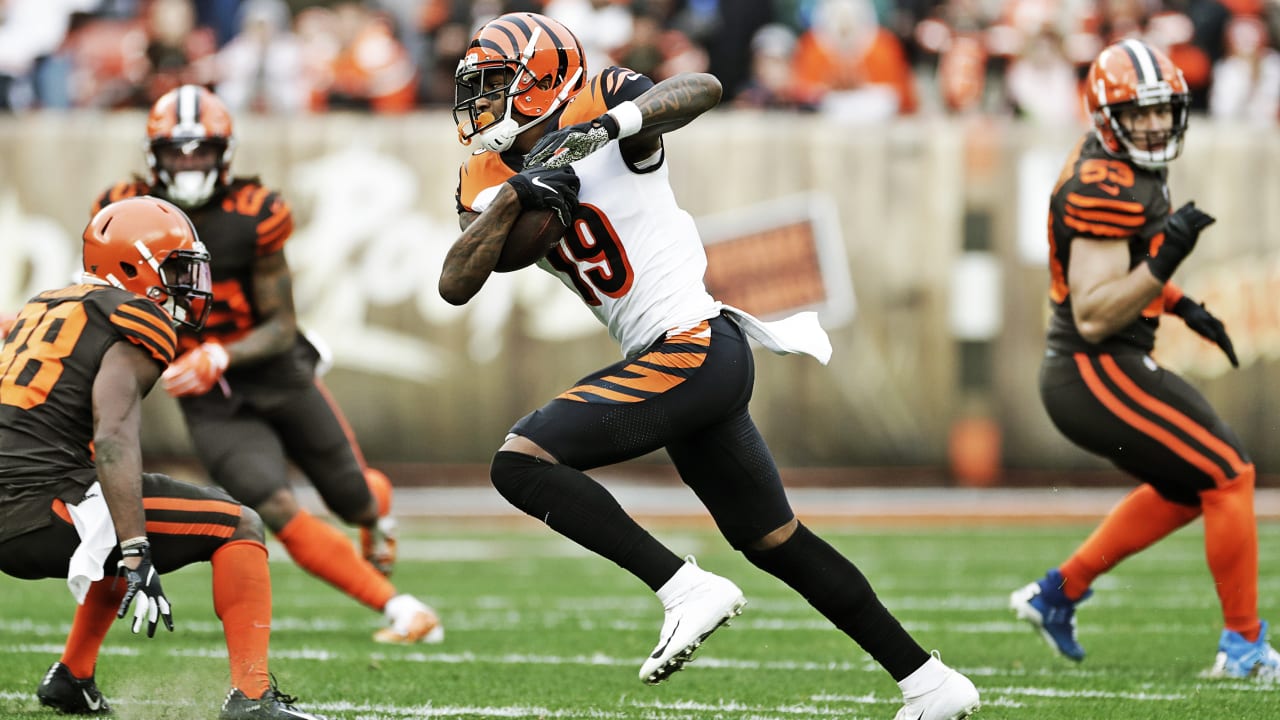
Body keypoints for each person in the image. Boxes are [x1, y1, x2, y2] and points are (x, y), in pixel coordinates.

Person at [439, 13, 980, 720]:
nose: (479, 103)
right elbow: (459, 277)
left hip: (692, 343)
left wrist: (604, 131)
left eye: (494, 85)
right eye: (475, 88)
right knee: (776, 542)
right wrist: (520, 192)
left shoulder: (595, 99)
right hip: (682, 357)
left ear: (540, 81)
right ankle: (931, 684)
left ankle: (682, 586)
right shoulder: (486, 173)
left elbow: (701, 86)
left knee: (520, 461)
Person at [90, 84, 442, 645]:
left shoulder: (256, 211)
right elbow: (107, 300)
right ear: (152, 154)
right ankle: (401, 609)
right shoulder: (125, 208)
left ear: (224, 152)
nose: (187, 163)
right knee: (272, 503)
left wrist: (219, 352)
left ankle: (375, 512)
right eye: (175, 151)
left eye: (199, 149)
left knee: (352, 497)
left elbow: (281, 325)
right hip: (208, 397)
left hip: (272, 371)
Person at [1010, 38, 1280, 680]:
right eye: (1140, 113)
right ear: (1109, 115)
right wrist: (1166, 262)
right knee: (1229, 474)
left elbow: (1118, 273)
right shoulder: (1105, 182)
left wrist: (1177, 301)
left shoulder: (1120, 164)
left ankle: (1058, 593)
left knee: (1192, 487)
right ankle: (1243, 648)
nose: (1156, 124)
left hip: (1102, 364)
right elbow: (1095, 311)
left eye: (1164, 110)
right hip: (1093, 367)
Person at [0, 196, 327, 719]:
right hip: (43, 508)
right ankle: (252, 698)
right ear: (132, 266)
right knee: (238, 523)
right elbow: (113, 437)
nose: (187, 283)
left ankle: (72, 677)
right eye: (175, 267)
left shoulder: (46, 303)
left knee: (113, 500)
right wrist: (135, 547)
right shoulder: (134, 317)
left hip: (20, 498)